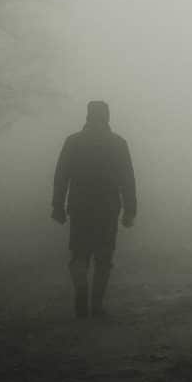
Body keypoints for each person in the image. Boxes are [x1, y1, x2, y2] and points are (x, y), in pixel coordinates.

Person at [51, 100, 137, 318]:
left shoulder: (73, 142)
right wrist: (130, 210)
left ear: (88, 116)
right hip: (107, 209)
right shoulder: (118, 144)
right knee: (104, 258)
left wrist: (58, 206)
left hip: (79, 208)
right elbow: (128, 179)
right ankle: (97, 306)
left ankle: (81, 293)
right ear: (107, 116)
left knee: (79, 254)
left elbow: (61, 177)